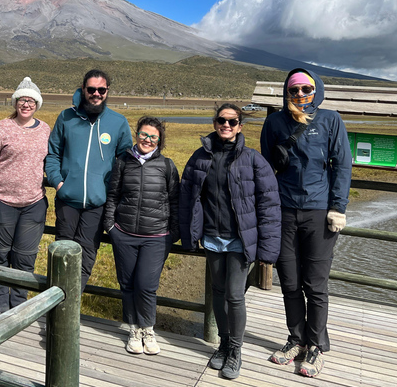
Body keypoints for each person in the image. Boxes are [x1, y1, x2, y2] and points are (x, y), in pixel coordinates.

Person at [260, 69, 352, 378]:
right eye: (294, 89)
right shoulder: (274, 123)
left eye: (306, 88)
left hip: (318, 211)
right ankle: (295, 340)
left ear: (316, 89)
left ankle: (315, 346)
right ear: (286, 92)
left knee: (315, 283)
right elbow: (267, 166)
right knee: (289, 282)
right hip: (284, 210)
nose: (300, 94)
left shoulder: (330, 120)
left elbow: (341, 165)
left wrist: (337, 207)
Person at [179, 103, 281, 379]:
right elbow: (187, 198)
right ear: (215, 123)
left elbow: (269, 205)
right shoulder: (199, 158)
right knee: (219, 293)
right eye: (222, 120)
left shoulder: (253, 159)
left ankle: (235, 350)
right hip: (212, 237)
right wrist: (189, 234)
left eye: (232, 121)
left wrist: (268, 250)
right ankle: (223, 344)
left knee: (235, 296)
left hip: (240, 240)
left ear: (240, 126)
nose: (226, 125)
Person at [45, 69, 133, 292]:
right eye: (91, 89)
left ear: (107, 91)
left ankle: (68, 308)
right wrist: (58, 182)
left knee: (87, 255)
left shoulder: (118, 122)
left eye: (101, 89)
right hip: (67, 200)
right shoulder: (66, 117)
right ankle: (55, 309)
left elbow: (124, 162)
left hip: (97, 203)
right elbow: (53, 153)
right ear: (83, 89)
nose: (96, 93)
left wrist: (110, 190)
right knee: (62, 253)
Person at [104, 116, 179, 356]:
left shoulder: (167, 166)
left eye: (153, 136)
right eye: (143, 134)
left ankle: (148, 329)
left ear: (160, 140)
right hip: (124, 234)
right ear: (136, 135)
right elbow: (113, 196)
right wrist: (110, 227)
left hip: (156, 237)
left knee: (146, 285)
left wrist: (173, 233)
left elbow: (175, 202)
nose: (147, 140)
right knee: (127, 284)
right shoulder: (122, 162)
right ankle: (133, 329)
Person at [0, 77, 51, 314]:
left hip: (33, 204)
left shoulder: (45, 129)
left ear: (37, 104)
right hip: (1, 202)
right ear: (15, 102)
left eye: (31, 100)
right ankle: (0, 309)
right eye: (22, 100)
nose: (26, 104)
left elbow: (52, 162)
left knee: (25, 259)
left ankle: (18, 309)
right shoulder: (1, 128)